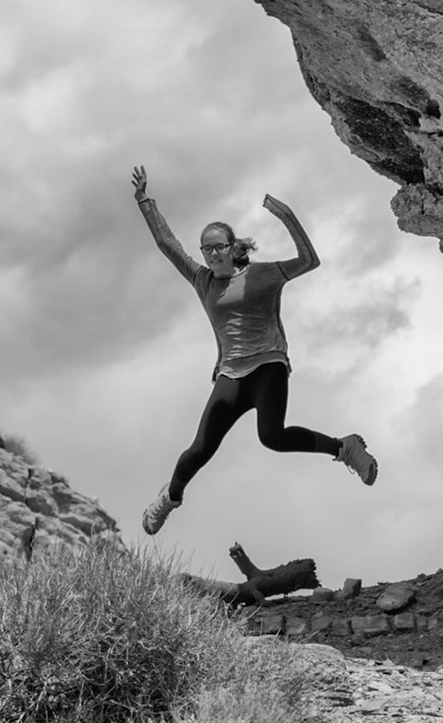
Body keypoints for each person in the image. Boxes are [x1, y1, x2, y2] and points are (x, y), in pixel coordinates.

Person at [132, 164, 376, 537]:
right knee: (200, 449)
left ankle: (345, 448)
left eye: (219, 246)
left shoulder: (263, 275)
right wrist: (144, 201)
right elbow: (168, 245)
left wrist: (286, 216)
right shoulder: (202, 280)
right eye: (206, 248)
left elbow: (309, 261)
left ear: (233, 248)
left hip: (268, 366)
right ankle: (170, 497)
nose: (212, 253)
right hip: (231, 374)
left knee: (272, 437)